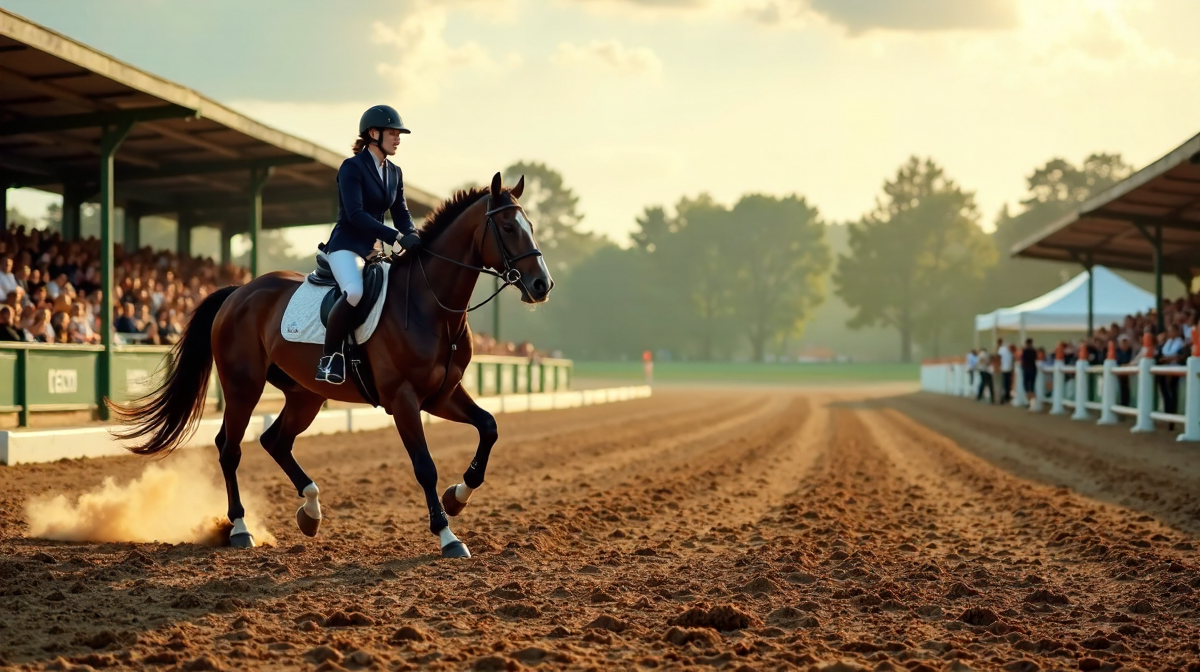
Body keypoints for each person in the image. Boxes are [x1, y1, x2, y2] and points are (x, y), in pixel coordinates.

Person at [316, 104, 423, 385]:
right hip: (346, 246)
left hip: (375, 251)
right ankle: (329, 358)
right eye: (393, 132)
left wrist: (412, 234)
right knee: (353, 291)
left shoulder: (395, 172)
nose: (398, 138)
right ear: (373, 134)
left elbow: (401, 212)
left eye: (399, 133)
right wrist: (396, 238)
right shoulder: (352, 167)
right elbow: (356, 214)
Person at [1158, 324, 1186, 429]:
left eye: (1173, 331)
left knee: (1172, 393)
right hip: (1166, 369)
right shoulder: (1168, 342)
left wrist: (1167, 359)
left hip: (1175, 370)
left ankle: (1172, 418)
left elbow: (1178, 356)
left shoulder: (1181, 343)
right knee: (1166, 393)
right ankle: (1167, 413)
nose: (1171, 333)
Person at [1115, 334, 1135, 407]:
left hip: (1128, 374)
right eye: (1122, 343)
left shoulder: (1131, 351)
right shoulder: (1116, 351)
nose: (1124, 344)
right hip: (1119, 374)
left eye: (1125, 342)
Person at [1020, 338, 1038, 403]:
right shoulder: (1033, 351)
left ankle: (1028, 400)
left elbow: (1022, 359)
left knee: (1026, 385)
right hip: (1032, 368)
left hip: (1026, 368)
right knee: (1032, 385)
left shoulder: (1024, 351)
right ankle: (1032, 401)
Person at [997, 338, 1014, 404]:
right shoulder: (1007, 349)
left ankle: (1003, 397)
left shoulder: (1001, 349)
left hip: (1003, 368)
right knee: (1008, 383)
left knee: (1003, 383)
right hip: (1009, 368)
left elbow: (999, 358)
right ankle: (1007, 396)